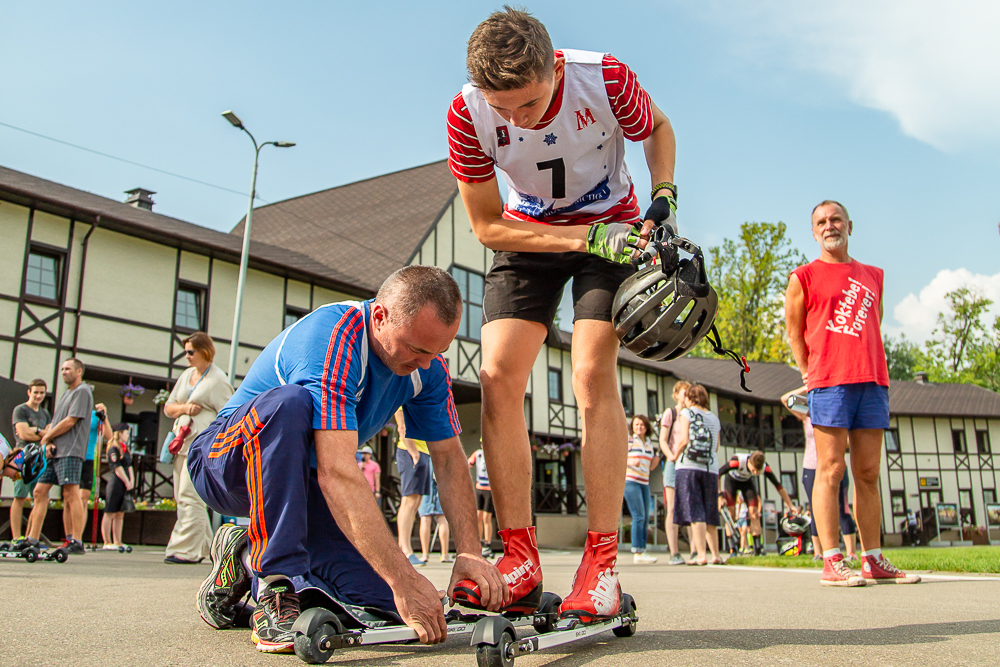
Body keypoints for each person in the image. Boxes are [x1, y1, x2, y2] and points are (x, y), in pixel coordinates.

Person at [448, 7, 678, 622]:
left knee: (588, 371)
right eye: (505, 109)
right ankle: (518, 555)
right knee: (497, 375)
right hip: (529, 235)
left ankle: (600, 564)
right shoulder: (466, 114)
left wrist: (664, 194)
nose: (517, 120)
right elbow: (486, 225)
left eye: (528, 104)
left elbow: (657, 127)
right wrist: (580, 240)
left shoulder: (602, 78)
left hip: (616, 225)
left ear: (554, 68)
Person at [189, 266, 505, 653]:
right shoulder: (334, 337)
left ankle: (241, 552)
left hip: (302, 485)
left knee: (386, 605)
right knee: (290, 404)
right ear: (380, 315)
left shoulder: (428, 369)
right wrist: (405, 577)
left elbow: (450, 461)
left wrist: (470, 553)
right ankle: (275, 583)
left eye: (438, 351)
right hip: (224, 463)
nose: (426, 363)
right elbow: (338, 472)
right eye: (417, 349)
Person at [785, 200, 919, 586]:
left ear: (849, 226)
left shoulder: (873, 275)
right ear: (814, 232)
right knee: (830, 470)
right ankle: (831, 559)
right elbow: (795, 333)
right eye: (822, 222)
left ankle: (872, 557)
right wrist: (809, 373)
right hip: (829, 382)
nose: (830, 226)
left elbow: (872, 325)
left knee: (867, 472)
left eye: (836, 219)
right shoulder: (803, 277)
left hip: (872, 381)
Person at [162, 332, 233, 564]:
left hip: (200, 445)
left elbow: (228, 413)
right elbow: (169, 407)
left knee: (190, 494)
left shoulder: (218, 379)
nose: (187, 356)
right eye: (185, 351)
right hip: (181, 442)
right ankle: (205, 548)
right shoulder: (185, 376)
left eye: (191, 351)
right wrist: (185, 408)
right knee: (180, 495)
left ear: (205, 351)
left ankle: (185, 549)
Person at [781, 386, 858, 562]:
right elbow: (785, 399)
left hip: (833, 464)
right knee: (816, 509)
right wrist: (807, 386)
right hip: (811, 466)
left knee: (843, 508)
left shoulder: (836, 414)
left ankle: (851, 552)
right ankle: (818, 552)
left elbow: (847, 442)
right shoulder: (807, 414)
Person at [25, 359, 93, 553]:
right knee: (39, 491)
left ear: (79, 371)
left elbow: (70, 421)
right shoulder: (67, 393)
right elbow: (56, 422)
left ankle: (77, 541)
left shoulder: (82, 391)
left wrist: (47, 436)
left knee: (71, 493)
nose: (64, 372)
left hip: (70, 450)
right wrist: (49, 440)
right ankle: (32, 539)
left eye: (68, 369)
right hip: (56, 452)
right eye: (62, 369)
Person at [671, 384, 721, 565]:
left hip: (689, 466)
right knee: (710, 511)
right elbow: (716, 446)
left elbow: (684, 439)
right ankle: (715, 553)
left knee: (696, 511)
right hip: (710, 467)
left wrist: (675, 457)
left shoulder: (686, 413)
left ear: (689, 397)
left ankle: (701, 554)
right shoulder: (714, 418)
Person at [718, 450, 798, 556]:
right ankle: (733, 548)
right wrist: (719, 496)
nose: (755, 473)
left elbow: (778, 486)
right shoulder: (737, 462)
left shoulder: (764, 467)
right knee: (731, 513)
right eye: (753, 470)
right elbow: (718, 474)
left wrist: (790, 504)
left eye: (758, 471)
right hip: (731, 481)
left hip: (746, 482)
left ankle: (757, 549)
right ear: (749, 463)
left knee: (754, 514)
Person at [10, 379, 51, 542]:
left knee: (39, 497)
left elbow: (48, 436)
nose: (38, 396)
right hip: (22, 456)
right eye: (36, 392)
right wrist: (42, 433)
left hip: (39, 458)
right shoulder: (20, 410)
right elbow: (24, 434)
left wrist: (37, 430)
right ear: (29, 392)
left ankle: (30, 537)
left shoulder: (45, 413)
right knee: (19, 496)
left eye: (42, 393)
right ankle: (16, 537)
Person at [394, 408, 432, 566]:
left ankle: (404, 548)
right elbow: (402, 427)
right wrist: (413, 452)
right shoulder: (404, 394)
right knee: (408, 500)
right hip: (410, 451)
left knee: (415, 501)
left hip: (423, 452)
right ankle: (405, 550)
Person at [71, 402, 112, 548]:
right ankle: (70, 535)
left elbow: (109, 436)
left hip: (88, 458)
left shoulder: (95, 416)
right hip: (73, 456)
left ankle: (78, 537)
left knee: (82, 499)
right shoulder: (74, 412)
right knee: (70, 496)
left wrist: (104, 417)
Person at [658, 381, 689, 565]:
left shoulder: (692, 414)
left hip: (689, 464)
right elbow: (663, 439)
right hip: (672, 463)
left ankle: (695, 551)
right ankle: (674, 552)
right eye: (684, 393)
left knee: (690, 507)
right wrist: (671, 457)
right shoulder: (671, 413)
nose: (687, 397)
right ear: (677, 394)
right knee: (672, 508)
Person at [624, 415, 660, 564]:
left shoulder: (649, 444)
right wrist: (630, 460)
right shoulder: (630, 440)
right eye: (636, 424)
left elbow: (650, 467)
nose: (639, 427)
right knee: (638, 516)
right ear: (632, 427)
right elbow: (619, 456)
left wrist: (657, 458)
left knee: (645, 517)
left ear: (646, 427)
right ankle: (637, 551)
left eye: (642, 425)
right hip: (631, 482)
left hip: (645, 483)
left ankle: (643, 550)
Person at [101, 424, 135, 550]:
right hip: (117, 482)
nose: (127, 436)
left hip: (125, 483)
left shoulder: (125, 449)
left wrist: (132, 480)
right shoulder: (113, 449)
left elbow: (129, 465)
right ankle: (107, 541)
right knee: (110, 511)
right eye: (126, 433)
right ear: (119, 433)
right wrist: (126, 481)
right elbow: (117, 467)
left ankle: (118, 541)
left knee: (120, 513)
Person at [418, 465, 452, 563]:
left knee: (425, 518)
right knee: (442, 518)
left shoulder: (424, 452)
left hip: (425, 483)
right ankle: (444, 555)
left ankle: (425, 554)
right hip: (441, 483)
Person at [467, 445, 494, 558]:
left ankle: (488, 543)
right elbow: (468, 463)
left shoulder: (493, 453)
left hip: (489, 489)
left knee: (486, 518)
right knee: (478, 515)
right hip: (479, 487)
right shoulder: (478, 453)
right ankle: (479, 541)